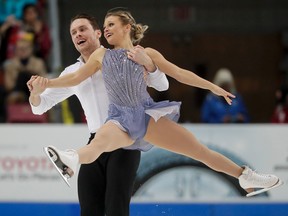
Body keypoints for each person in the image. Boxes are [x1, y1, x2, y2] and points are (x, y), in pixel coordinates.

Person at [35, 8, 282, 198]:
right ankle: (69, 159)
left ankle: (245, 176)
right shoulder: (101, 55)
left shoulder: (148, 53)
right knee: (98, 143)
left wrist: (213, 87)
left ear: (127, 27)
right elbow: (75, 77)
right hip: (118, 119)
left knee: (199, 151)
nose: (106, 29)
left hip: (145, 116)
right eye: (105, 25)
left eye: (111, 24)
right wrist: (47, 83)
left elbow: (179, 74)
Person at [27, 13, 169, 216]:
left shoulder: (121, 57)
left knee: (116, 210)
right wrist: (35, 93)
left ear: (98, 33)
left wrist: (150, 64)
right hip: (96, 142)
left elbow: (162, 84)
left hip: (125, 141)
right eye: (73, 32)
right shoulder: (72, 71)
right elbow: (40, 106)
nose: (78, 34)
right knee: (89, 209)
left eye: (82, 29)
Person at [4, 33, 47, 104]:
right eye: (20, 49)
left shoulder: (39, 63)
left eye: (26, 48)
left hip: (36, 90)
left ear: (31, 49)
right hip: (17, 94)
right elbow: (8, 85)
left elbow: (44, 79)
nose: (23, 51)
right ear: (16, 50)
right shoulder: (10, 65)